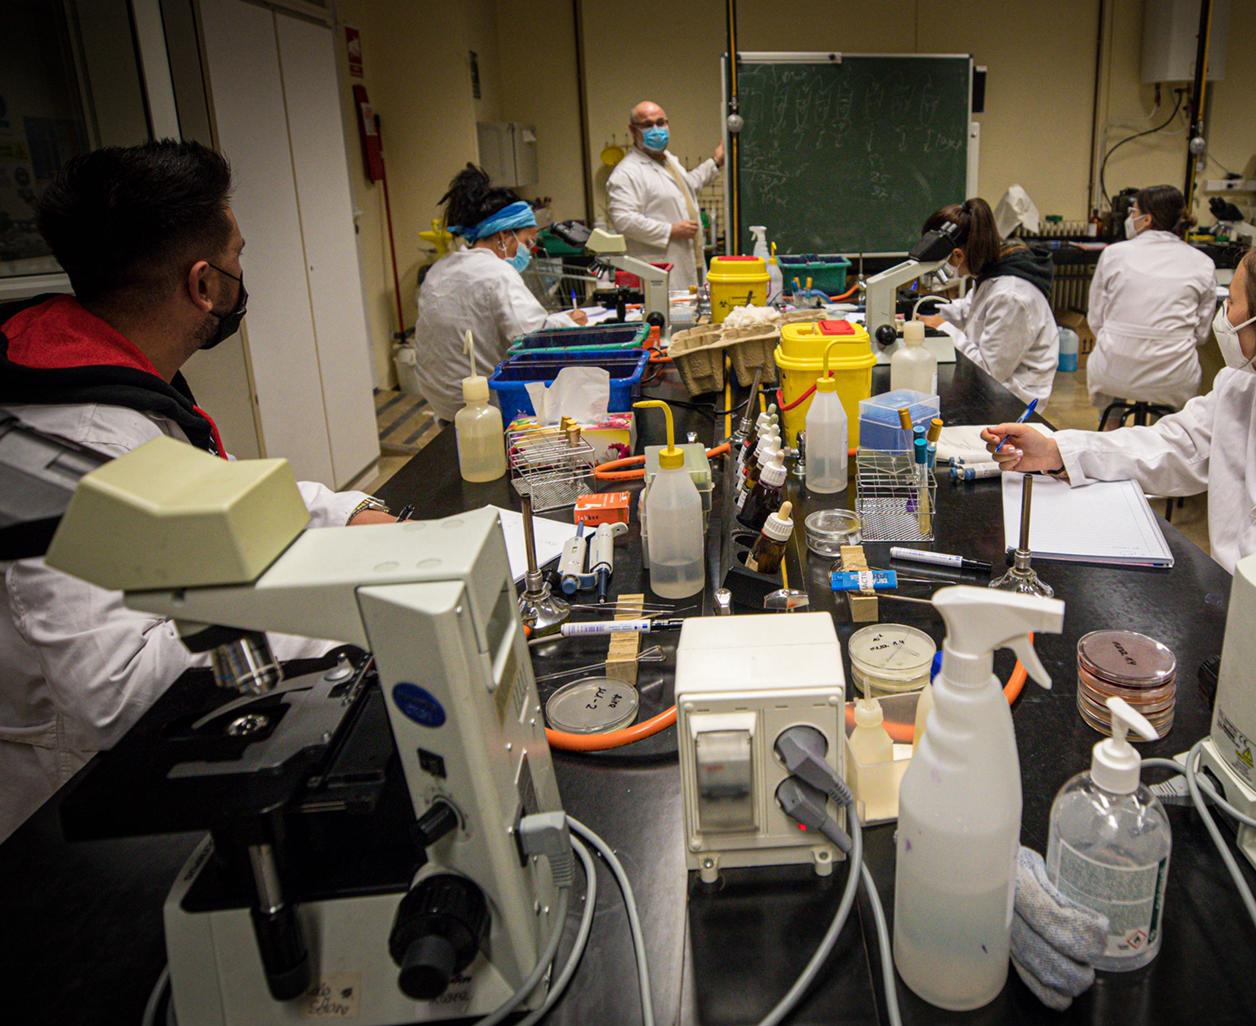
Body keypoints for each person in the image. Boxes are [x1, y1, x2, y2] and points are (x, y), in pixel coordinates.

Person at [0, 139, 397, 841]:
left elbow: (216, 491)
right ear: (205, 283)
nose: (244, 273)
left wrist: (349, 511)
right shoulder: (59, 445)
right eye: (238, 256)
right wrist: (352, 595)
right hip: (72, 818)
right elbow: (116, 692)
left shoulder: (92, 373)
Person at [982, 222, 1256, 576]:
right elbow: (1178, 445)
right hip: (1227, 609)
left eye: (1232, 302)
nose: (1226, 316)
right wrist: (1059, 449)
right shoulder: (1252, 384)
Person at [414, 164, 583, 421]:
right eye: (527, 240)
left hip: (444, 406)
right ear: (505, 235)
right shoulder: (496, 273)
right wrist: (571, 321)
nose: (529, 249)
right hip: (488, 409)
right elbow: (532, 338)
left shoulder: (439, 269)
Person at [1083, 185, 1217, 412]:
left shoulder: (1114, 255)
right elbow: (1202, 334)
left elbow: (1096, 319)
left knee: (1111, 395)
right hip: (1173, 376)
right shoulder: (1202, 263)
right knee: (1170, 422)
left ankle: (1111, 426)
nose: (1130, 218)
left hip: (1114, 371)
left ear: (1147, 220)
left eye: (1133, 212)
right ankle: (1165, 433)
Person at [922, 197, 1057, 404]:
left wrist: (944, 328)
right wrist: (924, 311)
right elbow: (968, 311)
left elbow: (989, 370)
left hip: (1014, 399)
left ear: (957, 256)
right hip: (992, 382)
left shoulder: (1011, 296)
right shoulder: (990, 273)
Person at [605, 100, 724, 292]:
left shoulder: (667, 160)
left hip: (687, 260)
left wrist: (716, 162)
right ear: (633, 129)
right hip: (658, 268)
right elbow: (623, 220)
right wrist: (670, 230)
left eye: (661, 123)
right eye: (647, 125)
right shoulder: (627, 173)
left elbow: (687, 186)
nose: (656, 129)